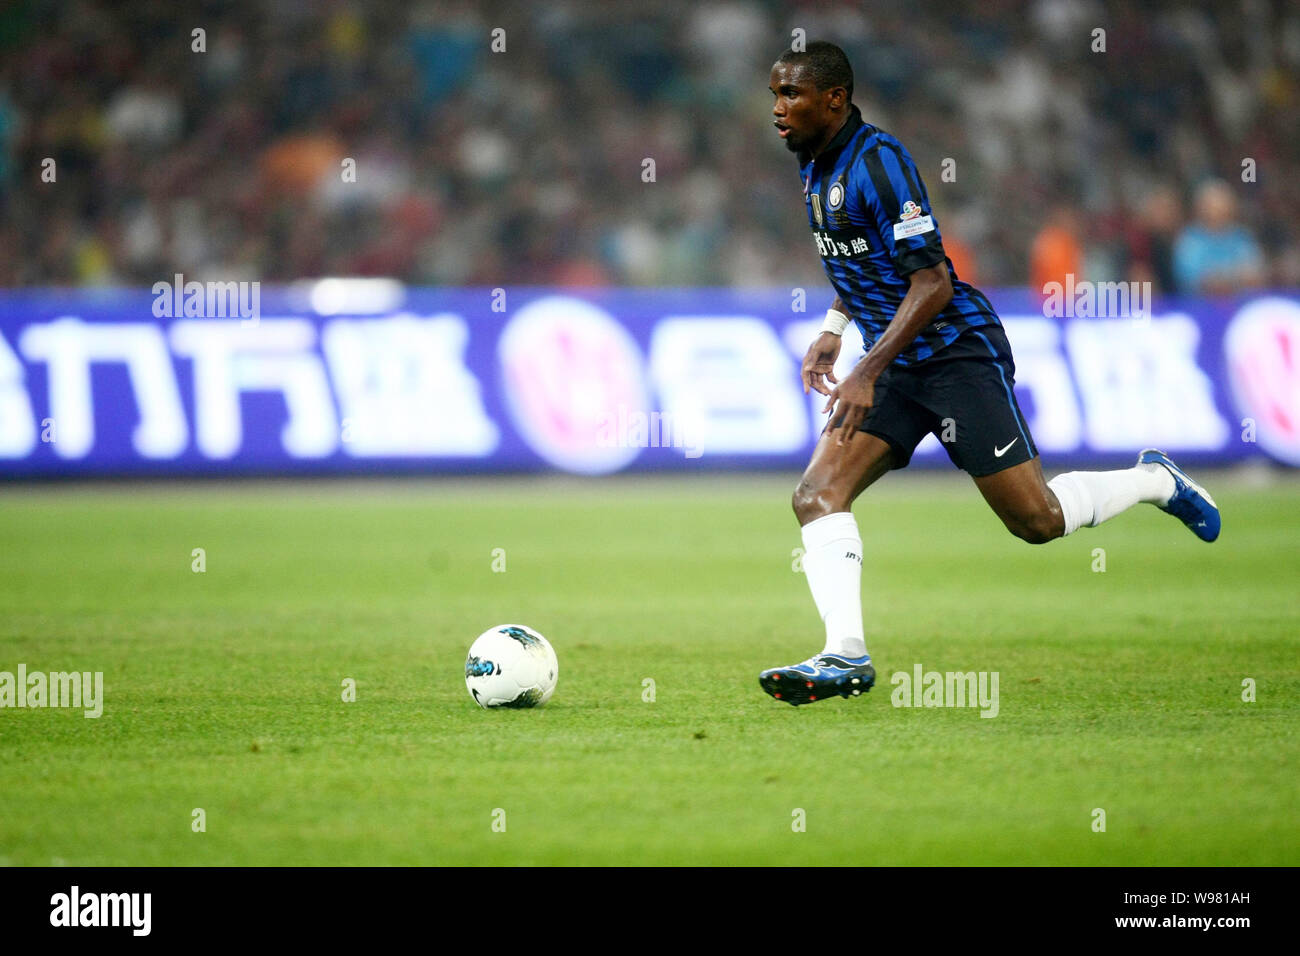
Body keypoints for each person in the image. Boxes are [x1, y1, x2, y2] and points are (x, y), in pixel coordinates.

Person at [760, 42, 1220, 706]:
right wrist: (834, 331)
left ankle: (1155, 480)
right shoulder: (814, 163)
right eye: (774, 95)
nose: (777, 110)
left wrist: (865, 367)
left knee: (1036, 520)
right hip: (892, 361)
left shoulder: (880, 163)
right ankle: (846, 656)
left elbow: (934, 281)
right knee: (816, 496)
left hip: (951, 355)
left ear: (833, 98)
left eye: (790, 95)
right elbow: (861, 263)